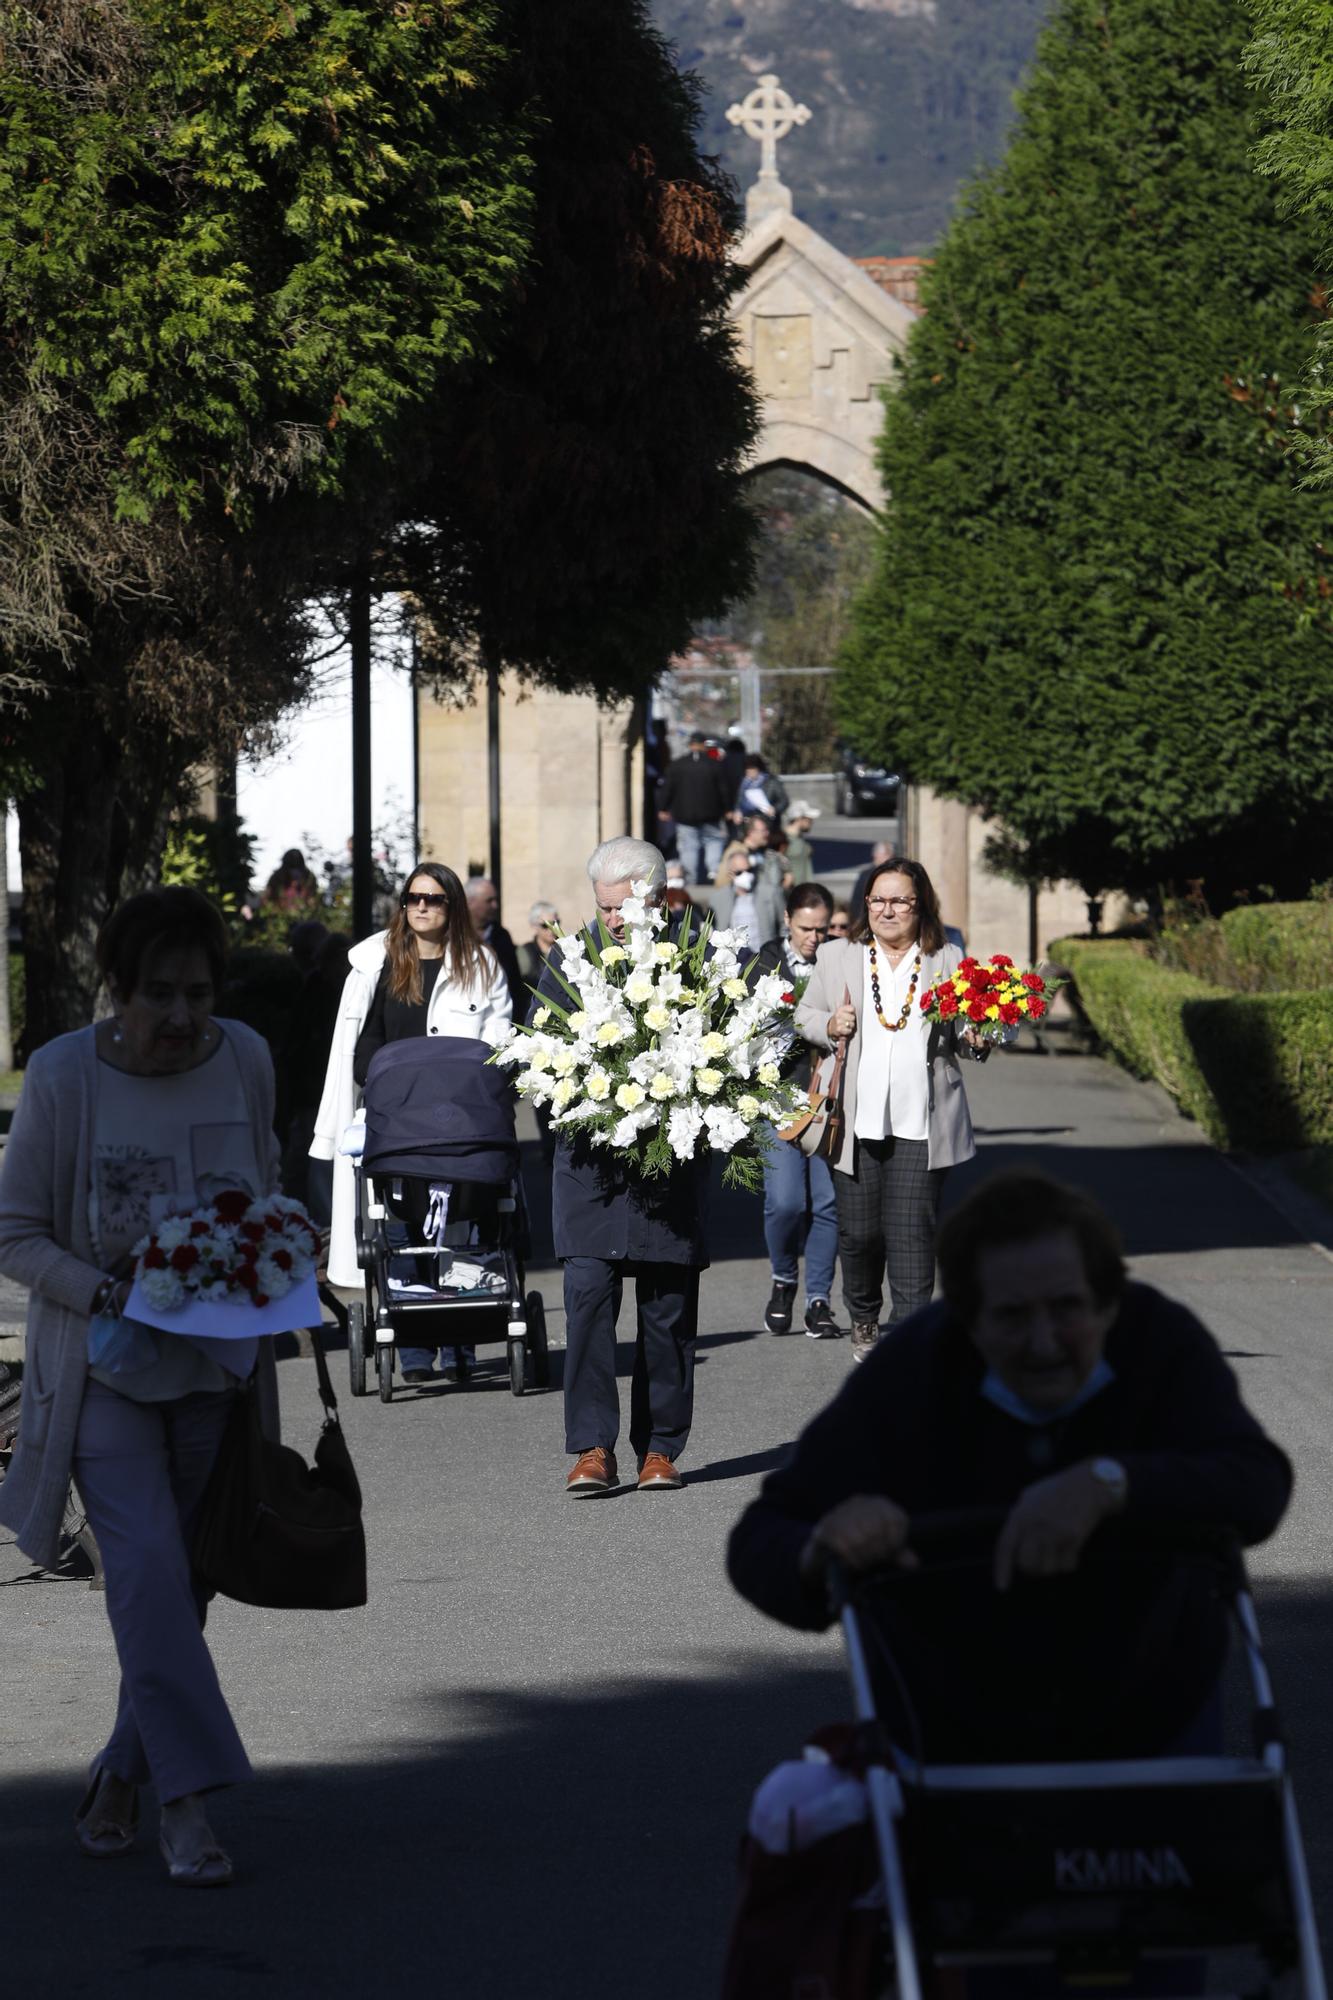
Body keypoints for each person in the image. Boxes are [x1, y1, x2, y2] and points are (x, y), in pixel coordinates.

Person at [727, 1170, 1293, 1760]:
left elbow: (1256, 1480)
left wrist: (1111, 1483)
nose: (1044, 1342)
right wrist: (823, 1546)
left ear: (1107, 1304)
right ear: (967, 1322)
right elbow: (762, 1536)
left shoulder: (1159, 1343)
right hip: (951, 1738)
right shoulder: (914, 1370)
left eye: (1067, 1309)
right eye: (1012, 1317)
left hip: (1150, 1716)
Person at [0, 887, 285, 1885]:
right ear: (113, 987)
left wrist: (281, 1245)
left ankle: (119, 1769)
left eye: (197, 992)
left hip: (218, 1367)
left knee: (183, 1582)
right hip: (103, 1372)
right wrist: (107, 1286)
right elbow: (14, 1233)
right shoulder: (65, 1074)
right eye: (156, 992)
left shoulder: (244, 1055)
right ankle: (187, 1799)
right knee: (149, 1570)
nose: (179, 1016)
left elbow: (269, 1179)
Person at [530, 837, 708, 1496]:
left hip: (666, 1169)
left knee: (666, 1316)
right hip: (589, 1172)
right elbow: (538, 1047)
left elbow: (737, 1042)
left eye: (622, 905)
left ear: (657, 897)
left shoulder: (697, 959)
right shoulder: (570, 962)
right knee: (586, 1304)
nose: (609, 917)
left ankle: (660, 1447)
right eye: (603, 906)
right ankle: (591, 1449)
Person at [797, 856, 988, 1364]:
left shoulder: (946, 958)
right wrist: (829, 1024)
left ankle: (911, 1336)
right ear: (866, 904)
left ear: (919, 904)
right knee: (858, 1234)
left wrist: (977, 1034)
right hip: (854, 1120)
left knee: (911, 1232)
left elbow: (968, 1036)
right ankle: (863, 1315)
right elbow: (804, 1016)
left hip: (921, 1118)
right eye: (878, 900)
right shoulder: (838, 954)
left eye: (900, 900)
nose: (888, 910)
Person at [310, 864, 511, 1329]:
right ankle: (415, 1340)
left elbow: (498, 1044)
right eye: (414, 898)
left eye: (434, 898)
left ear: (452, 905)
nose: (422, 906)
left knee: (457, 1228)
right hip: (396, 1120)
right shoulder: (376, 965)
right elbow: (362, 1046)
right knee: (399, 1224)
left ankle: (459, 1334)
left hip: (460, 1121)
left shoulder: (482, 967)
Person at [749, 885, 840, 1340]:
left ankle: (818, 1299)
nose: (815, 938)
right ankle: (784, 1280)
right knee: (786, 1202)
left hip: (830, 1097)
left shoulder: (839, 962)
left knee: (828, 1202)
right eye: (806, 928)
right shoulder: (762, 964)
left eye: (822, 929)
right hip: (780, 1097)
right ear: (787, 920)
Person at [657, 730, 732, 885]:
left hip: (685, 816)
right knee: (713, 841)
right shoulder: (715, 765)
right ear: (704, 745)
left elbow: (668, 788)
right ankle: (713, 870)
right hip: (712, 814)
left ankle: (690, 878)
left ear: (690, 745)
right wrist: (728, 808)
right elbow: (724, 789)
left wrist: (663, 808)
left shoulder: (677, 765)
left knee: (688, 847)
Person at [714, 815, 786, 952]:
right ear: (751, 832)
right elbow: (721, 882)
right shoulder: (736, 852)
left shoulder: (763, 852)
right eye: (763, 830)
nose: (767, 834)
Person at [465, 876, 526, 1020]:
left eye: (495, 900)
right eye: (489, 901)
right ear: (470, 902)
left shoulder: (502, 936)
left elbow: (514, 983)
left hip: (499, 1016)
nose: (495, 905)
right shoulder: (452, 935)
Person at [734, 752, 790, 826]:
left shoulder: (771, 781)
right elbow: (739, 802)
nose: (748, 771)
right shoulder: (744, 784)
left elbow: (784, 801)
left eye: (752, 768)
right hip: (747, 824)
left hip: (767, 823)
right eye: (746, 768)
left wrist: (774, 809)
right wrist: (737, 812)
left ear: (759, 768)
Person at [260, 846, 320, 913]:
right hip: (281, 915)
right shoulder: (277, 878)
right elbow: (266, 899)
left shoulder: (308, 877)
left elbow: (313, 899)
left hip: (301, 917)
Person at [516, 902, 560, 990]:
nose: (551, 929)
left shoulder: (566, 948)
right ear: (534, 926)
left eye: (555, 923)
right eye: (545, 925)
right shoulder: (524, 952)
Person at [782, 801, 821, 887]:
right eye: (809, 819)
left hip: (805, 891)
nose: (811, 822)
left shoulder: (800, 839)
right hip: (792, 893)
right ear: (799, 819)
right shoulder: (783, 839)